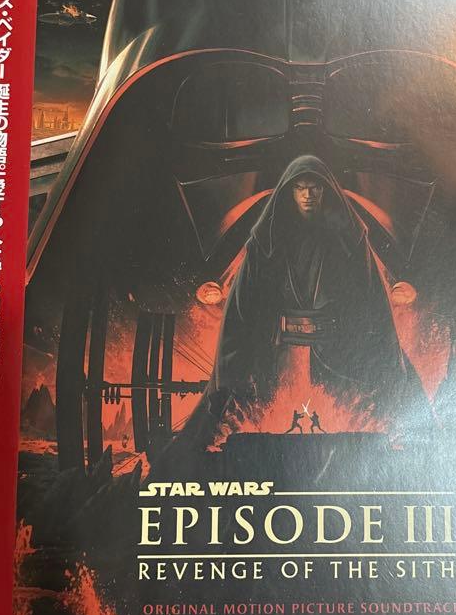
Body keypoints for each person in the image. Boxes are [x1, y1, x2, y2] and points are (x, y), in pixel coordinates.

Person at [181, 155, 430, 444]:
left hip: (336, 357)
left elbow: (372, 303)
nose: (308, 194)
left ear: (325, 190)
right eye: (300, 188)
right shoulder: (266, 241)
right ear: (290, 192)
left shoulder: (349, 239)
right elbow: (243, 306)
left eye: (315, 187)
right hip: (279, 355)